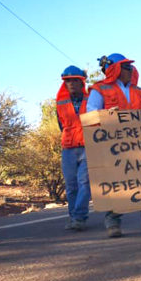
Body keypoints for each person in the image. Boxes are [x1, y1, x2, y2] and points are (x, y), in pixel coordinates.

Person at [87, 53, 141, 238]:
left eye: (131, 67)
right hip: (114, 147)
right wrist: (106, 114)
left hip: (140, 145)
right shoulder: (100, 90)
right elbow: (90, 114)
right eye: (126, 67)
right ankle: (113, 222)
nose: (131, 70)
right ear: (115, 68)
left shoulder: (139, 91)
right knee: (118, 183)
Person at [56, 65, 91, 231]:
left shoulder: (90, 99)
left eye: (74, 81)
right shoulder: (61, 102)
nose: (70, 84)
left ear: (81, 82)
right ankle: (73, 216)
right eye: (67, 81)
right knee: (71, 185)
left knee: (84, 182)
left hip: (87, 147)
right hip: (68, 148)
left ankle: (79, 217)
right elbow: (61, 125)